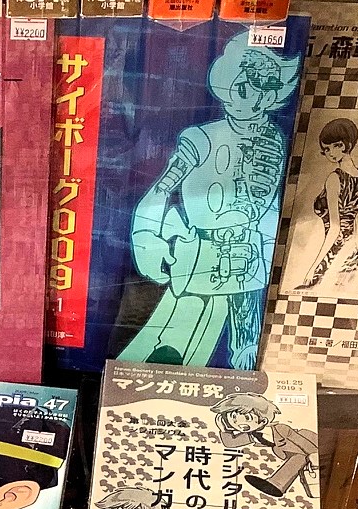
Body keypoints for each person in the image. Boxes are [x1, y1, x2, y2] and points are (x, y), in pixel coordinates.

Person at [120, 32, 301, 369]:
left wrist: (264, 252)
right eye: (230, 87)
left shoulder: (275, 141)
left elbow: (269, 207)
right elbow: (161, 189)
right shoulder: (201, 139)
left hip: (246, 264)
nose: (233, 97)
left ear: (267, 94)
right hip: (199, 257)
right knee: (170, 341)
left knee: (233, 350)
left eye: (245, 89)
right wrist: (146, 238)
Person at [297, 118, 358, 290]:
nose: (331, 152)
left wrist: (312, 269)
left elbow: (335, 228)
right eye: (326, 149)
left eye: (337, 145)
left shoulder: (334, 179)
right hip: (351, 253)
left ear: (348, 144)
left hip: (331, 254)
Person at [211, 392, 319, 497]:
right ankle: (274, 485)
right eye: (234, 418)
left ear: (263, 421)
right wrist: (223, 429)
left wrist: (314, 455)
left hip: (311, 443)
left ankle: (276, 485)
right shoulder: (255, 435)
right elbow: (231, 443)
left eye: (248, 418)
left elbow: (303, 443)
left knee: (299, 458)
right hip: (292, 455)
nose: (240, 422)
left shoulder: (281, 429)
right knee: (298, 458)